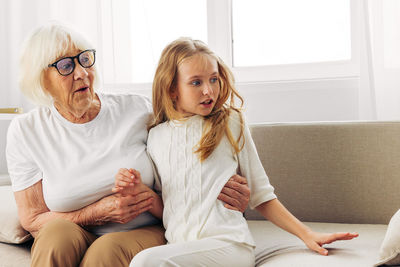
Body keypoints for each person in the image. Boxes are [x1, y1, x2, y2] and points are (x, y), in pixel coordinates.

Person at [6, 23, 251, 267]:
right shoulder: (26, 130)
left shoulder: (138, 110)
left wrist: (220, 189)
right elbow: (33, 218)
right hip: (74, 230)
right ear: (41, 79)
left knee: (106, 250)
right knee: (55, 236)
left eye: (84, 59)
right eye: (66, 66)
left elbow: (192, 134)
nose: (81, 73)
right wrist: (95, 214)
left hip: (144, 229)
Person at [113, 37, 359, 266]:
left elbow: (262, 194)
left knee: (145, 262)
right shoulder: (156, 137)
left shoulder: (230, 122)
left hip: (228, 245)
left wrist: (308, 234)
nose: (208, 90)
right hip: (181, 250)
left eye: (213, 79)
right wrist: (139, 192)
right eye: (196, 82)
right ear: (172, 88)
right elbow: (166, 204)